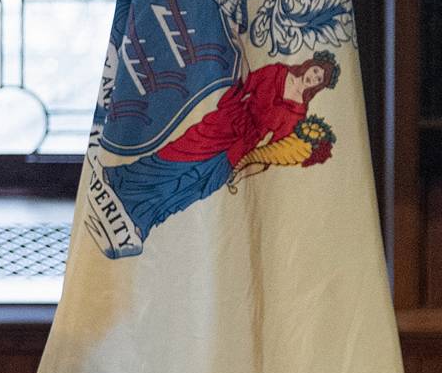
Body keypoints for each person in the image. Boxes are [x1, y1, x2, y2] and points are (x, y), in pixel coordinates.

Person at [101, 52, 338, 240]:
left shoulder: (298, 112)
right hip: (226, 123)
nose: (313, 77)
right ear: (309, 65)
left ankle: (146, 219)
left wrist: (243, 171)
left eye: (319, 80)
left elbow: (271, 151)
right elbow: (245, 84)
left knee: (200, 186)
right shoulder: (277, 71)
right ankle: (122, 178)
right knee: (178, 155)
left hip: (242, 147)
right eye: (316, 71)